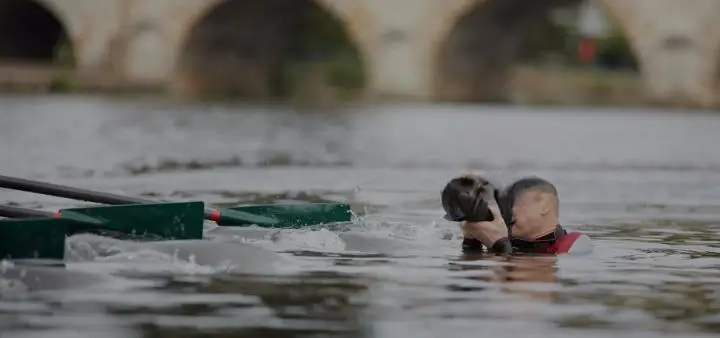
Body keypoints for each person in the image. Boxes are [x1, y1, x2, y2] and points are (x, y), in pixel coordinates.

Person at [442, 175, 593, 256]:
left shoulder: (574, 244)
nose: (508, 210)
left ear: (544, 206)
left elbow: (535, 276)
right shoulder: (513, 243)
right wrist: (472, 241)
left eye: (513, 202)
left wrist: (500, 245)